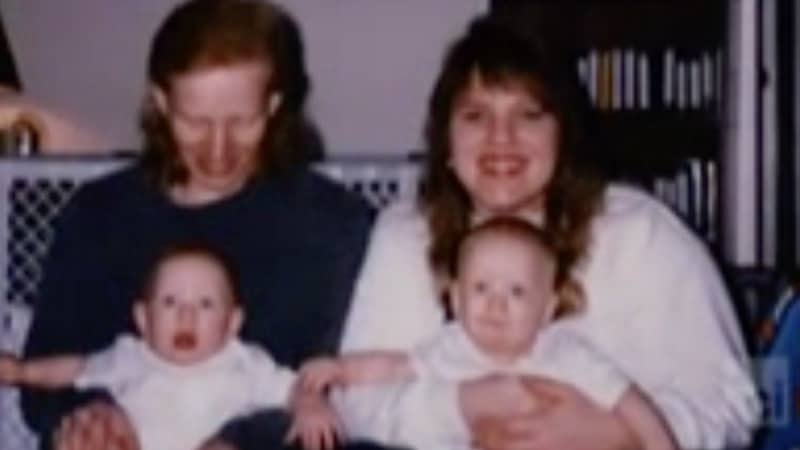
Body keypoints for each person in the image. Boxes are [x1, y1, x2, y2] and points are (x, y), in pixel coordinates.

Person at [335, 13, 761, 450]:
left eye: (529, 115)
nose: (501, 138)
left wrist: (613, 433)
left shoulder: (641, 232)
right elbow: (357, 401)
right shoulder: (406, 233)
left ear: (562, 134)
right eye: (476, 116)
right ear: (445, 139)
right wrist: (459, 409)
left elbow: (732, 403)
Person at [20, 1, 373, 449]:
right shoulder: (98, 215)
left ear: (273, 105)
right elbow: (49, 370)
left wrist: (240, 440)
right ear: (162, 103)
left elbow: (328, 388)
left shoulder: (329, 224)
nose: (218, 150)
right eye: (196, 123)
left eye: (241, 122)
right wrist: (88, 415)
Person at [297, 217, 678, 450]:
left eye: (516, 292)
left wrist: (659, 445)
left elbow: (630, 402)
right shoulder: (450, 347)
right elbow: (395, 367)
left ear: (547, 308)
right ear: (456, 298)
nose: (496, 305)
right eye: (481, 289)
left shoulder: (565, 354)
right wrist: (338, 369)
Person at [3, 243, 340, 450]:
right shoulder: (129, 357)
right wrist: (23, 370)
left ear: (233, 323)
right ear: (143, 319)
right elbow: (75, 369)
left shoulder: (242, 363)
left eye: (206, 305)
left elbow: (292, 387)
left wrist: (309, 404)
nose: (186, 316)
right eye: (169, 302)